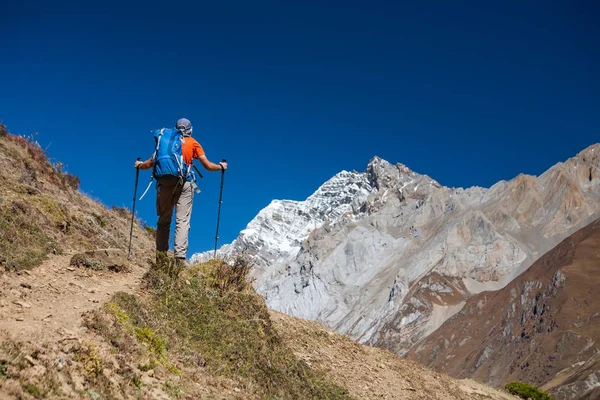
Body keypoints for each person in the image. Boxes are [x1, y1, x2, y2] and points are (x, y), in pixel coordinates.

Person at [134, 118, 227, 264]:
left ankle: (161, 259)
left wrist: (139, 165)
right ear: (190, 129)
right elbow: (208, 166)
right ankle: (179, 259)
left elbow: (149, 164)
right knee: (182, 221)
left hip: (164, 184)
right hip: (185, 183)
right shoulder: (193, 143)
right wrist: (221, 166)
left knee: (164, 222)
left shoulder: (165, 141)